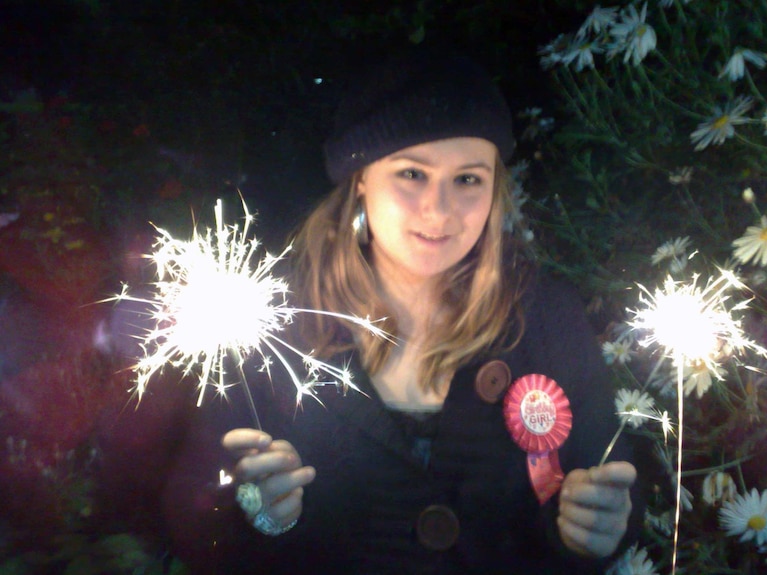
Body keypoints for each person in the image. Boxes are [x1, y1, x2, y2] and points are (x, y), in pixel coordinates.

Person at [162, 47, 644, 574]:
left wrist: (597, 529)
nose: (439, 209)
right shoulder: (271, 328)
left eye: (468, 179)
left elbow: (613, 478)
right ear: (361, 177)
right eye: (412, 174)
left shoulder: (547, 318)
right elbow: (193, 512)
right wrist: (252, 516)